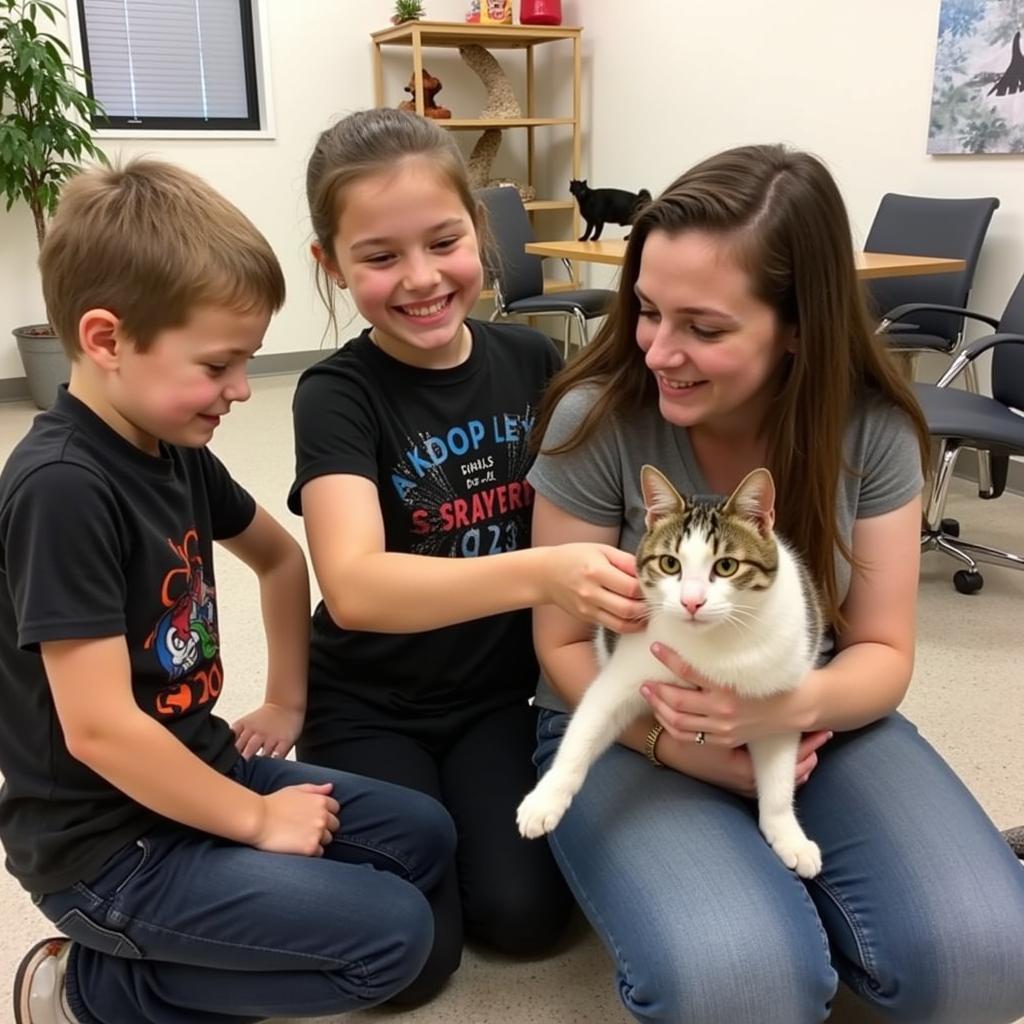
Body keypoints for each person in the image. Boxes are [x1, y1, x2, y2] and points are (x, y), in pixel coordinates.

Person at [526, 144, 1024, 1024]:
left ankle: (825, 906)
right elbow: (563, 646)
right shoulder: (599, 417)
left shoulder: (870, 429)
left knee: (987, 956)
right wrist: (679, 748)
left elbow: (883, 650)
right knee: (739, 985)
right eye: (646, 310)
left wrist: (778, 712)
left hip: (800, 704)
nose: (659, 350)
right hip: (633, 718)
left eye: (704, 328)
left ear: (797, 324)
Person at [1, 159, 456, 1024]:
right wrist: (254, 821)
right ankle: (88, 988)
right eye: (218, 365)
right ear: (105, 340)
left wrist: (285, 702)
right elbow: (97, 731)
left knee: (423, 835)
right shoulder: (60, 488)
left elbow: (281, 560)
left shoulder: (172, 447)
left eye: (247, 361)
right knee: (395, 936)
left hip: (197, 766)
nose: (242, 390)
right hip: (106, 850)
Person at [289, 107, 643, 1001]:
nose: (420, 279)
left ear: (479, 233)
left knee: (524, 921)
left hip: (492, 698)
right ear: (330, 264)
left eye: (443, 241)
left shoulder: (532, 361)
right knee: (412, 963)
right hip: (368, 702)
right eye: (378, 257)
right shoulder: (335, 396)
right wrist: (544, 572)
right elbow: (358, 586)